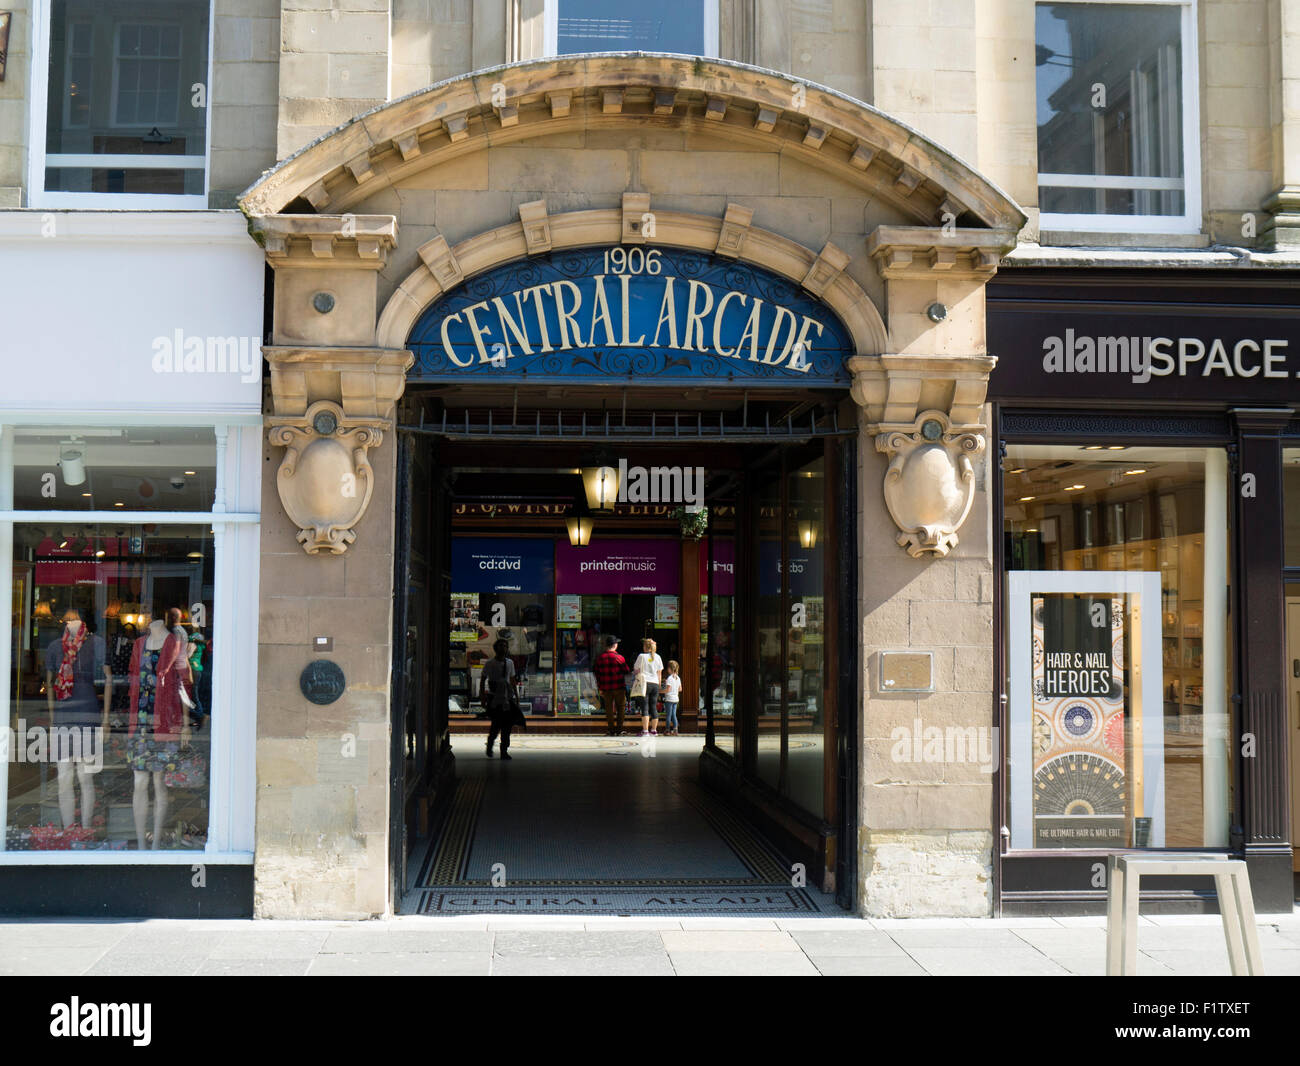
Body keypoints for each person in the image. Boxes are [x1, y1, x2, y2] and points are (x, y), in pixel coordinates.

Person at [481, 638, 522, 760]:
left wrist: (516, 696)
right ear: (496, 648)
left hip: (507, 698)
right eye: (500, 645)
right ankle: (490, 744)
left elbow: (512, 680)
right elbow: (483, 680)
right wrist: (482, 697)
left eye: (505, 645)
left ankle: (504, 750)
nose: (503, 648)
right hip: (494, 698)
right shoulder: (490, 663)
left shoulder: (510, 663)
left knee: (507, 726)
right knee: (496, 724)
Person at [593, 636, 629, 736]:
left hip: (606, 688)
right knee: (621, 708)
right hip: (619, 687)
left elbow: (597, 673)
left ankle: (611, 729)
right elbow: (626, 670)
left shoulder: (600, 658)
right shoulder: (619, 658)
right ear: (615, 645)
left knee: (608, 708)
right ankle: (619, 729)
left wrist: (599, 687)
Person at [632, 637, 664, 737]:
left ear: (645, 647)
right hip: (655, 684)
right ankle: (654, 730)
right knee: (653, 707)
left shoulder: (641, 656)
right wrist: (659, 685)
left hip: (645, 683)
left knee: (644, 707)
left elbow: (636, 669)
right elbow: (659, 673)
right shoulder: (658, 657)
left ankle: (645, 731)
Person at [662, 660, 682, 736]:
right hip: (676, 699)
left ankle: (667, 730)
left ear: (670, 669)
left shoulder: (669, 678)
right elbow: (680, 689)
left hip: (669, 698)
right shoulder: (678, 678)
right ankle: (675, 729)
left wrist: (660, 691)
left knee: (668, 715)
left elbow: (667, 689)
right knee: (674, 714)